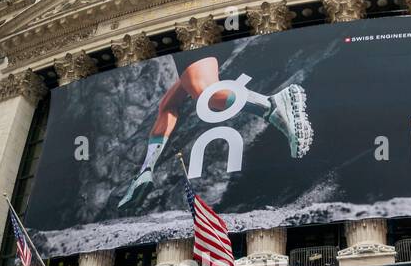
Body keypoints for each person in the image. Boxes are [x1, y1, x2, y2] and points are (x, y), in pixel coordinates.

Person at [116, 52, 314, 209]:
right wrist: (147, 169)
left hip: (194, 30)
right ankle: (145, 169)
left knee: (204, 91)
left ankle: (271, 105)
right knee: (167, 106)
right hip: (190, 41)